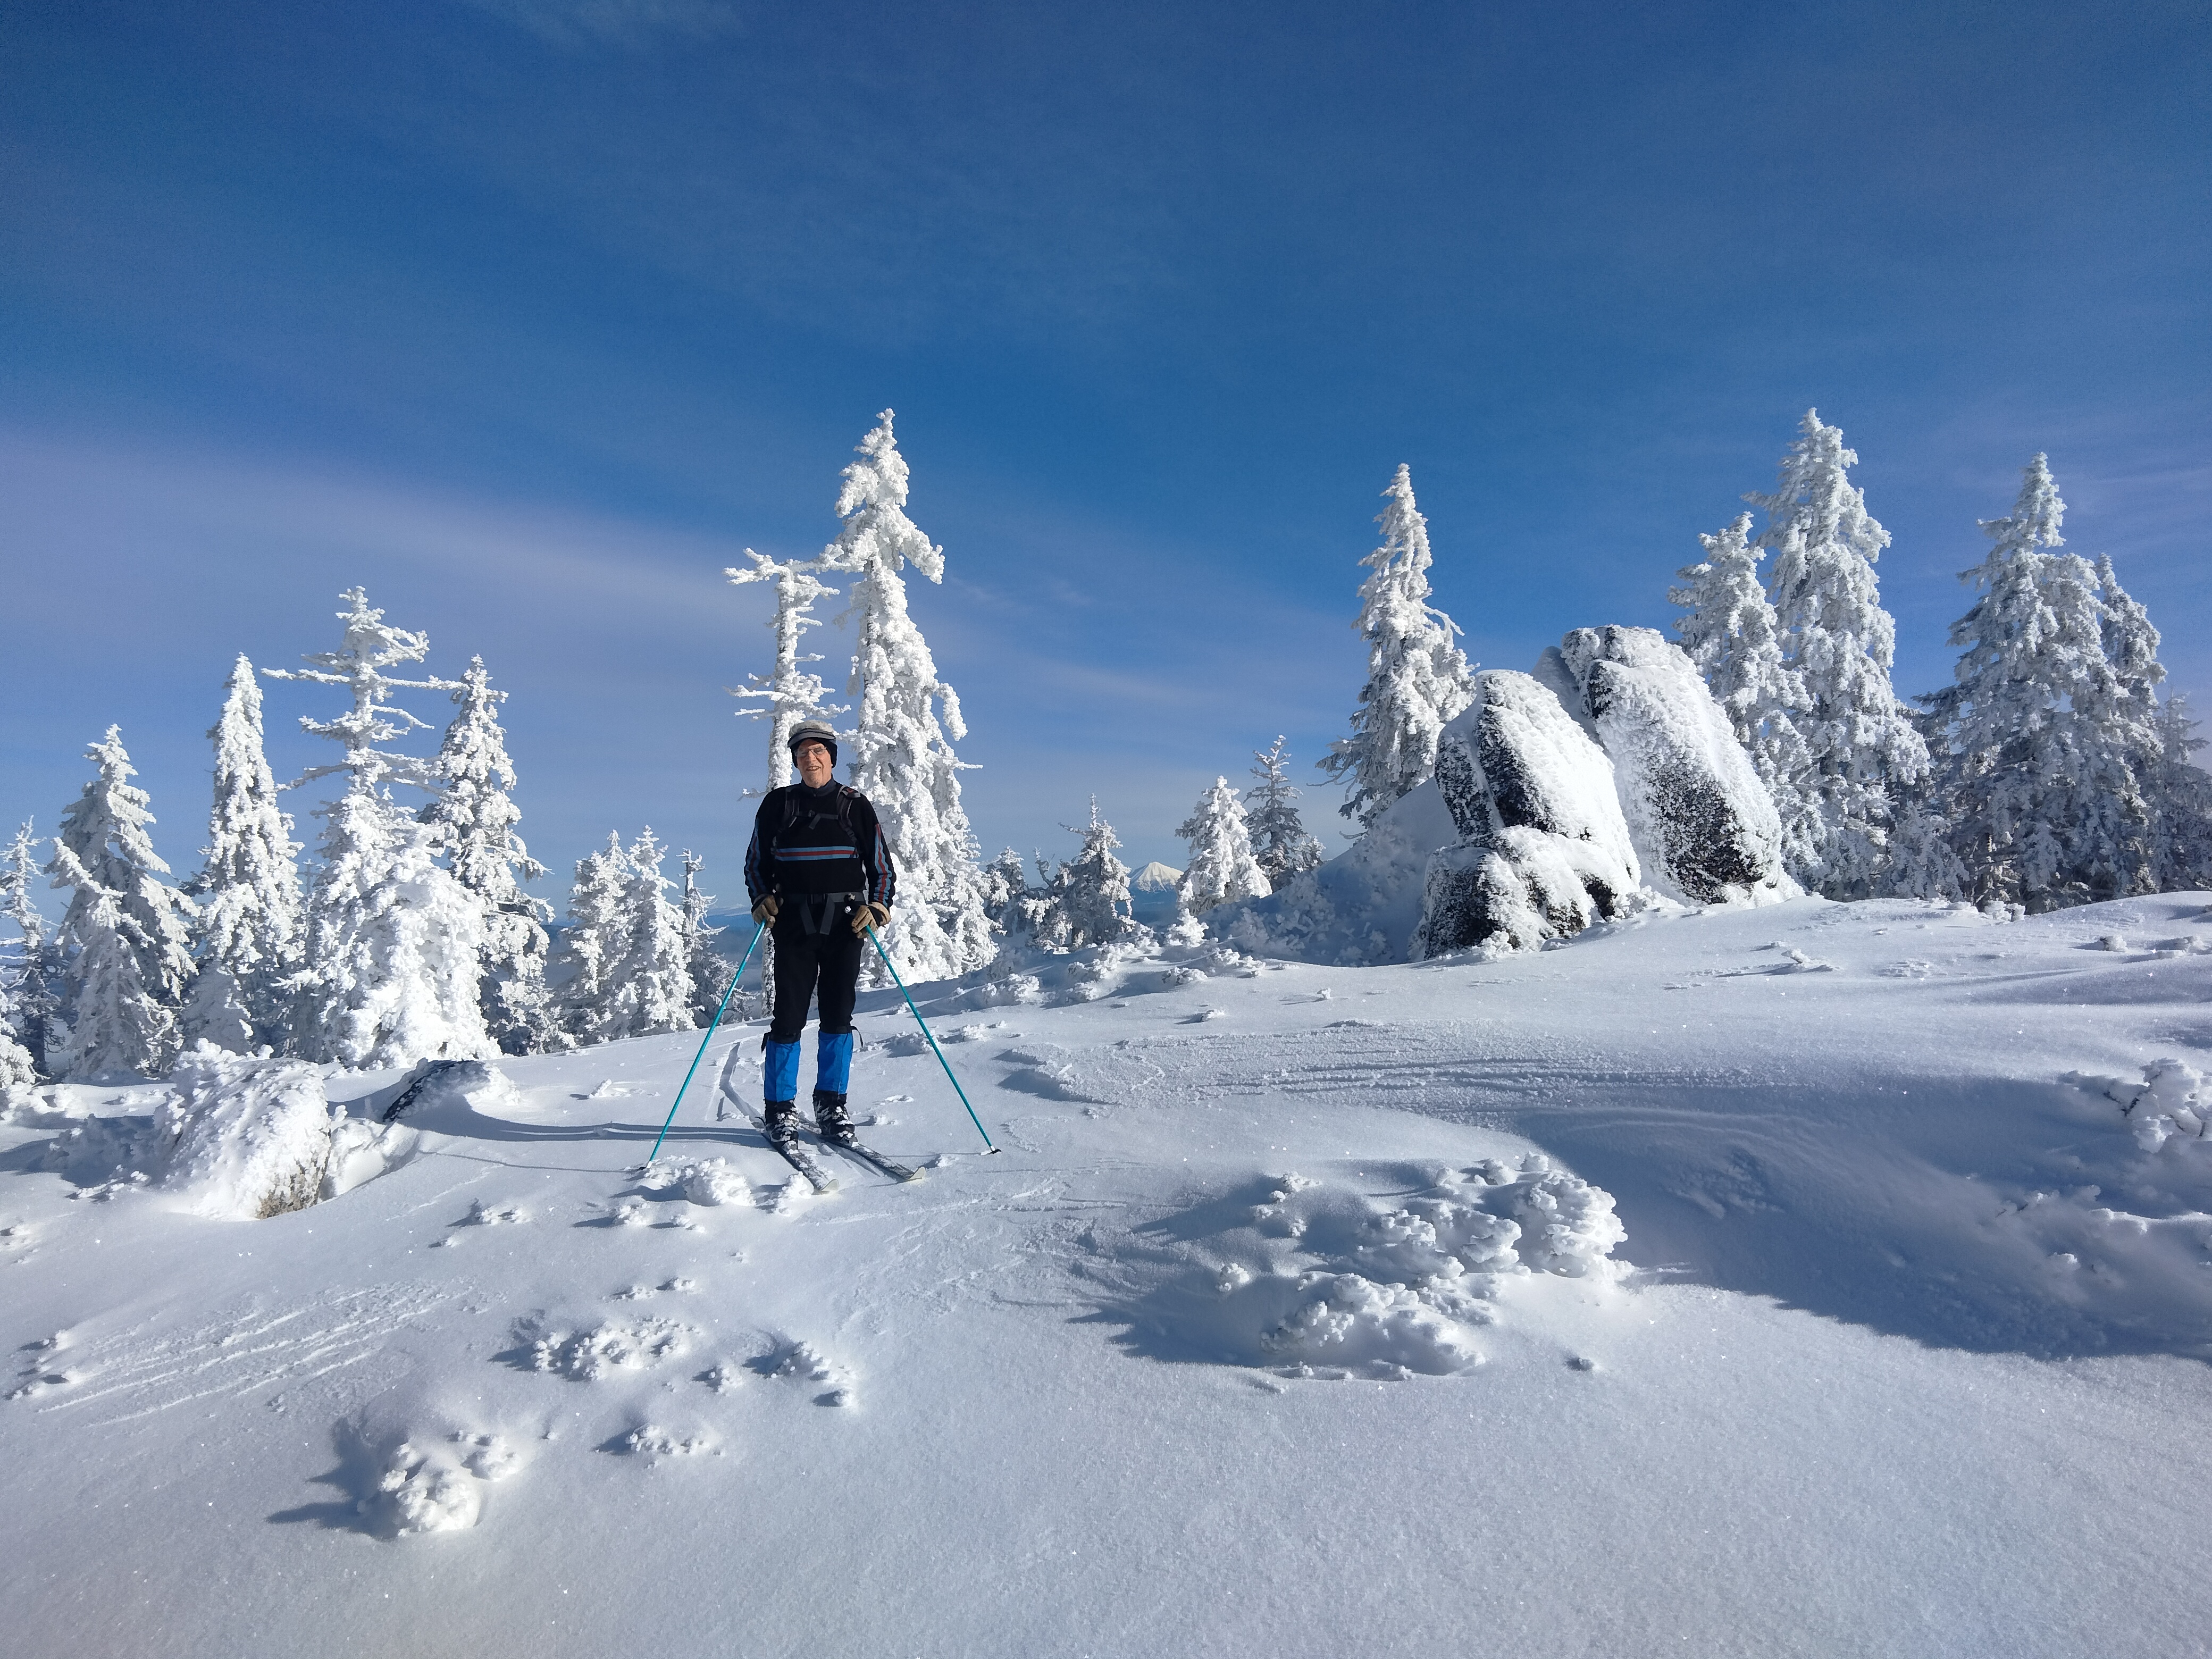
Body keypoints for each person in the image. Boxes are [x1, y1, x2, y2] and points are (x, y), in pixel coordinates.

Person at [742, 722, 893, 1146]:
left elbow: (880, 866)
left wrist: (877, 906)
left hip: (845, 924)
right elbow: (755, 864)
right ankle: (780, 1109)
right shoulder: (779, 804)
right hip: (792, 923)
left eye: (818, 751)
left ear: (831, 756)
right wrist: (760, 899)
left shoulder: (854, 805)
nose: (810, 759)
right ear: (794, 761)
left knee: (838, 1017)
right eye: (802, 753)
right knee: (788, 1018)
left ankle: (831, 1103)